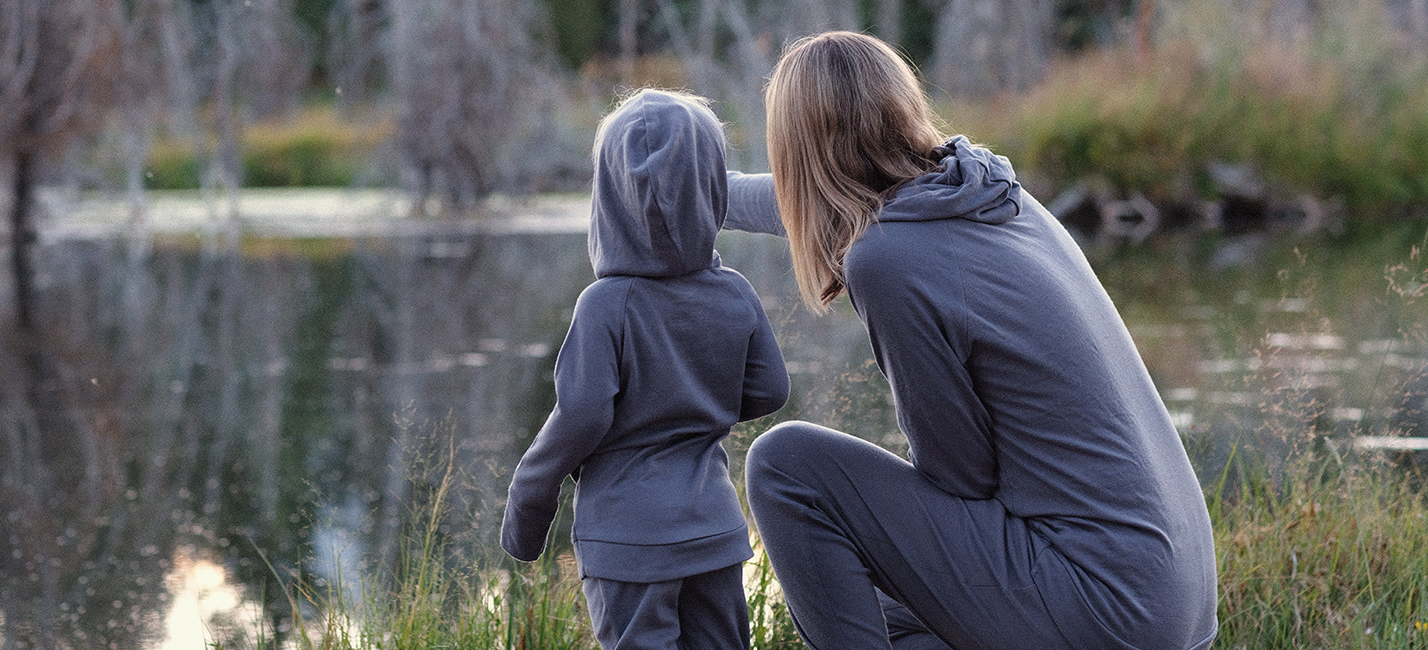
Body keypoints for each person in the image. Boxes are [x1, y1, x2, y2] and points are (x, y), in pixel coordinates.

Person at [721, 31, 1219, 649]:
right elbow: (812, 203)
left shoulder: (887, 260)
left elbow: (962, 476)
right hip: (1173, 602)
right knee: (879, 611)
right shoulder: (993, 196)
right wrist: (706, 190)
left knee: (786, 465)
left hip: (1104, 606)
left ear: (796, 149)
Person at [500, 89, 791, 650]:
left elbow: (581, 416)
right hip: (714, 530)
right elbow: (771, 390)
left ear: (609, 198)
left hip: (627, 540)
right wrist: (697, 403)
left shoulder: (605, 306)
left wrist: (527, 502)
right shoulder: (734, 292)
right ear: (712, 191)